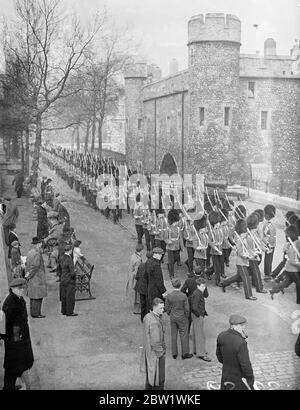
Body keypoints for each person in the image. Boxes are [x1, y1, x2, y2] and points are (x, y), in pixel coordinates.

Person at [1, 278, 34, 390]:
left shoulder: (17, 298)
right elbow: (6, 324)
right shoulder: (10, 303)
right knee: (14, 366)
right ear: (13, 289)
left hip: (19, 338)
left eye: (23, 288)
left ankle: (9, 386)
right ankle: (8, 387)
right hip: (15, 340)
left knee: (17, 365)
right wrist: (18, 339)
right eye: (20, 289)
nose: (22, 291)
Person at [221, 219, 257, 301]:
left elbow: (247, 249)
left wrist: (253, 253)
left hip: (245, 262)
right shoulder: (239, 239)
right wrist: (249, 257)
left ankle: (224, 283)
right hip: (241, 262)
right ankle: (249, 295)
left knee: (238, 277)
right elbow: (241, 252)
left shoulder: (243, 237)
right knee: (246, 278)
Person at [216, 314, 254, 390]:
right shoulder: (241, 343)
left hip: (226, 374)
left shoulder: (221, 336)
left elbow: (219, 356)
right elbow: (245, 364)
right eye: (242, 325)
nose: (244, 327)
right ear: (234, 326)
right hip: (238, 377)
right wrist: (250, 377)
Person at [269, 225, 300, 300]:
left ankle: (273, 290)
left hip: (290, 268)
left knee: (287, 282)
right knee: (298, 284)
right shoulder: (293, 246)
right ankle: (298, 301)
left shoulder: (293, 243)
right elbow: (293, 260)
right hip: (293, 269)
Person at [165, 279, 193, 360]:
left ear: (173, 285)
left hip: (173, 317)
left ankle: (174, 353)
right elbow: (187, 308)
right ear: (180, 285)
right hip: (182, 317)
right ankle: (185, 353)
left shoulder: (169, 296)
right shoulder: (183, 296)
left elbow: (166, 307)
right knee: (184, 335)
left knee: (173, 335)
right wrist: (186, 316)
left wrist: (170, 313)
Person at [143, 298, 166, 390]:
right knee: (159, 378)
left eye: (163, 308)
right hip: (156, 354)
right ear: (154, 307)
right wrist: (161, 352)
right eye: (160, 308)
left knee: (150, 375)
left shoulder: (147, 316)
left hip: (148, 351)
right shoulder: (155, 322)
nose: (163, 310)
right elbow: (156, 341)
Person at [25, 237, 47, 318]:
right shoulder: (37, 253)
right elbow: (35, 266)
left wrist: (27, 275)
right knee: (38, 297)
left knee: (33, 297)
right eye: (40, 243)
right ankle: (36, 313)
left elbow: (27, 264)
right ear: (38, 244)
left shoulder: (30, 252)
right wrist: (30, 275)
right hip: (37, 277)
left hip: (32, 278)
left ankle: (33, 312)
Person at [190, 277, 211, 361]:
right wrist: (200, 315)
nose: (204, 288)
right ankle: (201, 353)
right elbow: (194, 307)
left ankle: (197, 350)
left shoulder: (196, 292)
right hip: (198, 316)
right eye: (202, 286)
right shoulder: (198, 294)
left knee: (196, 333)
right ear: (198, 286)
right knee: (200, 335)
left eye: (204, 286)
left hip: (195, 315)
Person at [181, 267, 206, 332]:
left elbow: (182, 290)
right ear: (201, 273)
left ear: (194, 272)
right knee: (199, 319)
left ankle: (188, 331)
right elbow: (206, 294)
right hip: (199, 303)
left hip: (190, 301)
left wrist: (188, 295)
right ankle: (197, 333)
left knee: (189, 318)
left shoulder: (188, 280)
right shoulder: (202, 282)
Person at [59, 243, 78, 317]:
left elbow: (59, 269)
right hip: (69, 280)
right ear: (70, 250)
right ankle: (69, 312)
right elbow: (72, 272)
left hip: (63, 279)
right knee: (70, 297)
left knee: (63, 296)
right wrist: (74, 275)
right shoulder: (69, 259)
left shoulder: (61, 257)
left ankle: (63, 310)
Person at [146, 247, 166, 312]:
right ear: (156, 254)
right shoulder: (156, 265)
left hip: (150, 286)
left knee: (152, 305)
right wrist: (163, 291)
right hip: (156, 289)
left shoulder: (148, 261)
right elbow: (159, 280)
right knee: (158, 307)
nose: (161, 256)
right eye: (160, 254)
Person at [126, 244, 144, 314]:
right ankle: (137, 310)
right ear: (141, 251)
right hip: (135, 278)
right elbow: (137, 271)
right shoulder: (138, 260)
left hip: (131, 276)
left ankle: (136, 308)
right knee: (137, 294)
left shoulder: (133, 256)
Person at [135, 251, 152, 322]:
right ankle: (147, 318)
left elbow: (137, 276)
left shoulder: (141, 265)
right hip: (147, 288)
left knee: (143, 303)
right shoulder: (151, 266)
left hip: (141, 287)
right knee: (148, 303)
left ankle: (142, 318)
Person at [262, 204, 276, 281]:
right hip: (269, 243)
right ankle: (267, 273)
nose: (264, 215)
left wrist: (269, 245)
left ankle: (267, 272)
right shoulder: (269, 223)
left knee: (268, 259)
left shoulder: (269, 224)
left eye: (265, 213)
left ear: (268, 214)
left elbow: (271, 236)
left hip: (270, 244)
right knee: (268, 259)